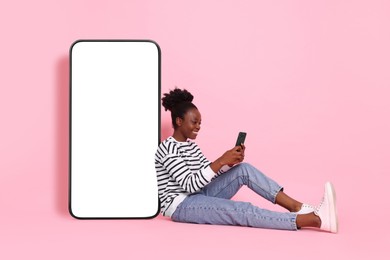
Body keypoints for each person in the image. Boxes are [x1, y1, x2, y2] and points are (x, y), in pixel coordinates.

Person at [155, 88, 338, 233]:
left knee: (244, 169)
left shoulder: (191, 146)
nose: (198, 127)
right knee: (242, 210)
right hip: (182, 205)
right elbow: (189, 185)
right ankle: (315, 219)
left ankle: (298, 207)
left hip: (201, 194)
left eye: (200, 123)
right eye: (194, 122)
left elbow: (207, 174)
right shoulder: (167, 148)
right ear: (179, 121)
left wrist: (229, 163)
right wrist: (220, 161)